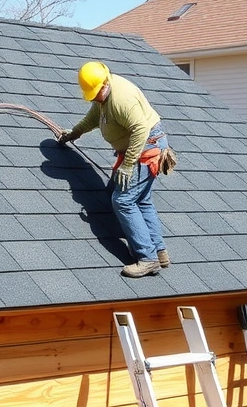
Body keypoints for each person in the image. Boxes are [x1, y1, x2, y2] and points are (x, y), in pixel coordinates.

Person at [57, 61, 170, 278]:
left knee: (123, 200)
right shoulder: (103, 96)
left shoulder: (121, 99)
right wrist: (74, 133)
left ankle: (147, 259)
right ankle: (160, 252)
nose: (95, 97)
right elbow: (94, 118)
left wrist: (127, 165)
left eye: (96, 92)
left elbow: (140, 130)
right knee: (142, 200)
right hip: (145, 147)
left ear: (105, 82)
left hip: (146, 148)